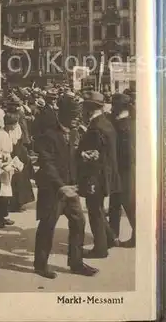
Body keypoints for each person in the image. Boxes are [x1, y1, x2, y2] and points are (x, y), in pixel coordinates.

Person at [34, 97, 98, 279]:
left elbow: (71, 157)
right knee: (47, 226)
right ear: (62, 116)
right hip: (54, 190)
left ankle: (76, 263)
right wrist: (61, 186)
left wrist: (83, 156)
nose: (77, 119)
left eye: (77, 116)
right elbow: (47, 164)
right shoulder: (48, 135)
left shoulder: (72, 132)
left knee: (79, 223)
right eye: (73, 116)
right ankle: (40, 265)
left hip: (71, 188)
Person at [77, 91, 121, 258]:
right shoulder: (106, 123)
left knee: (94, 210)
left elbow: (92, 156)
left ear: (89, 109)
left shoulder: (95, 128)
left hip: (96, 177)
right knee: (99, 209)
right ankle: (109, 238)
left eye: (84, 107)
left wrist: (80, 154)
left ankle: (100, 249)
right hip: (107, 174)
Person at [108, 93, 136, 247]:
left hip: (123, 170)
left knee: (127, 203)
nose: (111, 108)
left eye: (114, 105)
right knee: (115, 203)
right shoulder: (129, 121)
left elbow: (127, 152)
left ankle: (135, 236)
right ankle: (113, 235)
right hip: (123, 169)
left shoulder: (123, 125)